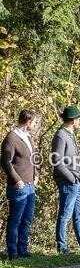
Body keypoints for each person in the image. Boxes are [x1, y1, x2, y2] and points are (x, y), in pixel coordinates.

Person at [51, 106, 80, 254]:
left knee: (78, 214)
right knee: (65, 215)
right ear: (74, 120)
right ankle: (62, 247)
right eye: (79, 118)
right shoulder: (61, 135)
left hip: (77, 181)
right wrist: (72, 178)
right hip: (69, 181)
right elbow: (57, 161)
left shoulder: (70, 134)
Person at [2, 109, 38, 259]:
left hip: (31, 185)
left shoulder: (28, 138)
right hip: (19, 186)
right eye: (34, 122)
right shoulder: (11, 138)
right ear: (28, 123)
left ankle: (23, 249)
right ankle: (13, 251)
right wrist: (17, 179)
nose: (35, 125)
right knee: (15, 220)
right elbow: (5, 162)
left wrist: (36, 174)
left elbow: (33, 159)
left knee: (27, 219)